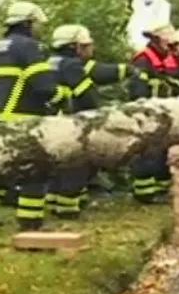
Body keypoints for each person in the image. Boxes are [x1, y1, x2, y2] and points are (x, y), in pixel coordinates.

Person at [0, 1, 61, 230]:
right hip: (25, 114)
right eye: (34, 24)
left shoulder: (2, 45)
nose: (37, 28)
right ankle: (30, 222)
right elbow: (43, 85)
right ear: (27, 23)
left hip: (5, 112)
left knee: (3, 166)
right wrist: (59, 94)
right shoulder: (28, 46)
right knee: (35, 169)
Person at [47, 24, 128, 218]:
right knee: (75, 164)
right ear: (74, 46)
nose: (90, 49)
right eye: (85, 45)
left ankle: (54, 200)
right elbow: (86, 96)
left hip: (54, 120)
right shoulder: (72, 65)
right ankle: (68, 209)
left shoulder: (52, 61)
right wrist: (101, 113)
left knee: (57, 165)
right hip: (71, 123)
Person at [128, 23, 179, 203]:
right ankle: (144, 194)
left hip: (161, 112)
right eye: (169, 43)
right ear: (157, 40)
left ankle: (159, 190)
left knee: (160, 152)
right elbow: (137, 88)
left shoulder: (162, 57)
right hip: (146, 113)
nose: (171, 48)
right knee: (146, 153)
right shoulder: (143, 59)